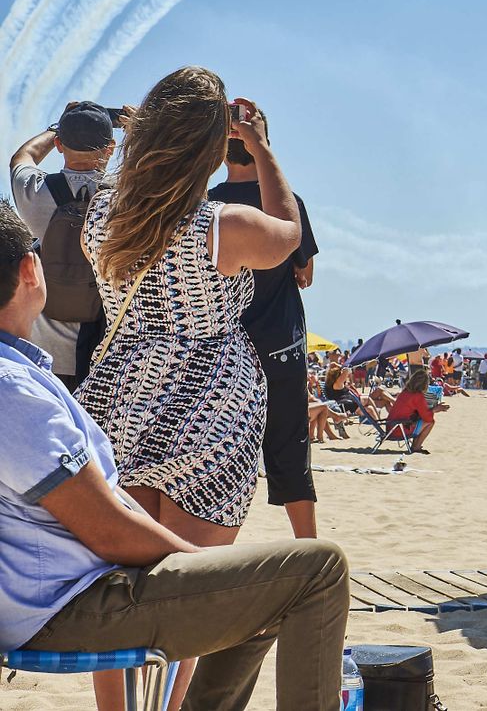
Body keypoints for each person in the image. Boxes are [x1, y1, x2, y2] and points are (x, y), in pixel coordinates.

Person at [0, 199, 351, 711]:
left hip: (46, 597)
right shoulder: (13, 390)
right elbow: (107, 530)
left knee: (266, 585)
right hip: (68, 605)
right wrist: (206, 569)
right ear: (31, 270)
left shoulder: (18, 379)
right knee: (319, 568)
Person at [73, 70, 303, 707]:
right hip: (211, 399)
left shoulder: (104, 217)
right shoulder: (223, 226)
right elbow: (289, 231)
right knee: (196, 581)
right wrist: (259, 148)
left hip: (122, 390)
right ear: (210, 149)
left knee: (118, 579)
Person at [210, 112, 321, 538]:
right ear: (263, 144)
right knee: (289, 448)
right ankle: (307, 548)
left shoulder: (209, 205)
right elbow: (304, 274)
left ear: (221, 150)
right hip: (279, 342)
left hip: (225, 344)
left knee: (218, 449)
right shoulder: (287, 202)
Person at [8, 101, 128, 389]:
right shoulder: (127, 196)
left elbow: (22, 157)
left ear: (60, 145)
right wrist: (139, 127)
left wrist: (57, 126)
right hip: (105, 351)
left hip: (46, 353)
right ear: (110, 148)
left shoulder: (35, 192)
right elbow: (163, 169)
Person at [387, 368, 448, 453]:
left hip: (390, 427)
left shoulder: (405, 392)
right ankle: (416, 446)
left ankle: (415, 445)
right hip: (398, 430)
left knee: (419, 420)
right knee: (431, 422)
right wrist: (435, 410)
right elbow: (427, 418)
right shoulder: (418, 396)